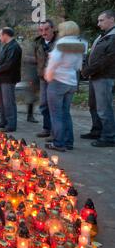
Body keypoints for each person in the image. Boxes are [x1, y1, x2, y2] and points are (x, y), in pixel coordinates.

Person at [44, 21, 86, 152]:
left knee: (56, 114)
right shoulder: (80, 45)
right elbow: (78, 66)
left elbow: (53, 64)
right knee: (66, 113)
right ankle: (69, 142)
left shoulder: (61, 44)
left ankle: (58, 143)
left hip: (58, 81)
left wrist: (48, 77)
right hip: (71, 81)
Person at [81, 10, 115, 147]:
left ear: (112, 19)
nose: (98, 23)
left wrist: (87, 70)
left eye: (101, 20)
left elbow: (107, 60)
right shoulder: (103, 36)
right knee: (93, 106)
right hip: (95, 76)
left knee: (104, 108)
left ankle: (109, 137)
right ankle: (97, 130)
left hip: (105, 77)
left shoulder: (113, 38)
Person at [0, 27, 23, 133]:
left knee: (8, 102)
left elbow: (9, 64)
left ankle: (11, 124)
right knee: (2, 102)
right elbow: (3, 60)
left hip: (8, 78)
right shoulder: (7, 46)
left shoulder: (14, 47)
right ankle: (4, 121)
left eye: (0, 35)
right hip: (2, 78)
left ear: (5, 35)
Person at [34, 20, 58, 138]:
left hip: (55, 78)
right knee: (43, 104)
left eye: (46, 29)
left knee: (54, 105)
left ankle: (55, 131)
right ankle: (47, 128)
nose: (43, 32)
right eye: (41, 30)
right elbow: (36, 59)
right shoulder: (38, 42)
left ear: (52, 29)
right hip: (43, 78)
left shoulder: (59, 42)